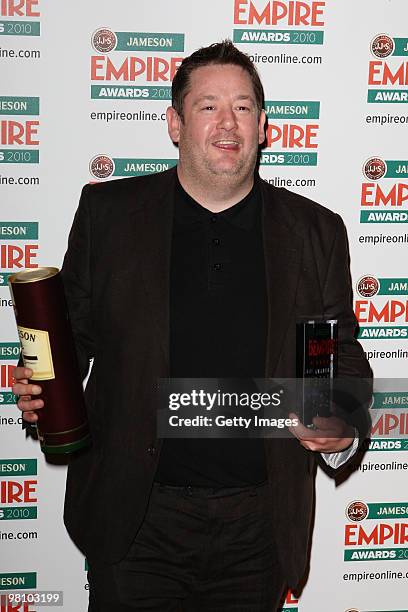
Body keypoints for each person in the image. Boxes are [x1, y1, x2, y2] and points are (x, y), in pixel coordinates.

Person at [13, 41, 372, 611]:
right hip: (137, 519)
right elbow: (73, 336)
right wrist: (38, 383)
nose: (228, 123)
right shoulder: (108, 216)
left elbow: (337, 352)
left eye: (244, 107)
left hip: (258, 528)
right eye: (208, 107)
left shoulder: (314, 231)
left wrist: (342, 420)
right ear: (176, 124)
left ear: (263, 126)